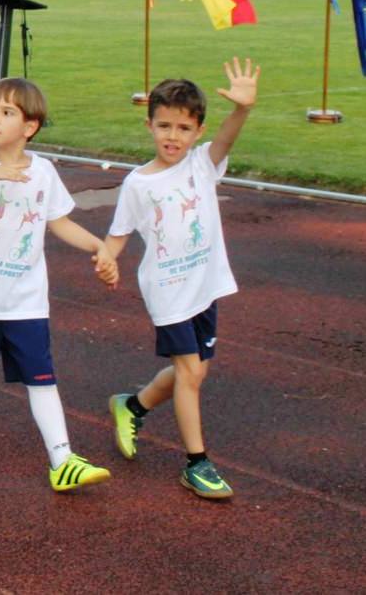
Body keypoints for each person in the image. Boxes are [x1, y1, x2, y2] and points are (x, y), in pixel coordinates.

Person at [0, 77, 118, 491]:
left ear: (30, 126)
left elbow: (59, 222)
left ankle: (62, 458)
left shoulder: (44, 172)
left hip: (26, 302)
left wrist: (99, 246)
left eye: (6, 112)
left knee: (42, 377)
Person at [103, 61, 260, 500]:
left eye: (184, 128)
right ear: (149, 125)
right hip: (168, 292)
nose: (173, 136)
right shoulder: (138, 183)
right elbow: (118, 234)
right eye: (164, 126)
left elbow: (227, 138)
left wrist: (243, 109)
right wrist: (106, 259)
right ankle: (197, 463)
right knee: (189, 373)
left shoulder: (202, 166)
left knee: (195, 371)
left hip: (204, 286)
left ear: (197, 131)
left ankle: (132, 406)